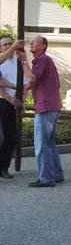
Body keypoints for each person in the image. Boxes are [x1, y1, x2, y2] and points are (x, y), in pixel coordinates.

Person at [16, 36, 64, 187]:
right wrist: (24, 90)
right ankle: (57, 174)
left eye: (35, 42)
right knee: (49, 143)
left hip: (45, 106)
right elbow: (32, 81)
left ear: (43, 46)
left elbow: (32, 78)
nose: (31, 43)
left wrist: (23, 61)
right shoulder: (43, 61)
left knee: (42, 144)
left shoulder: (43, 59)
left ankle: (46, 179)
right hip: (51, 106)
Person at [0, 35, 23, 179]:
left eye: (10, 43)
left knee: (11, 137)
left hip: (12, 103)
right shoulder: (1, 61)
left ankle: (3, 167)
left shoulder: (18, 61)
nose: (9, 46)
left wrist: (20, 96)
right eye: (5, 45)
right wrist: (8, 98)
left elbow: (23, 82)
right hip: (2, 101)